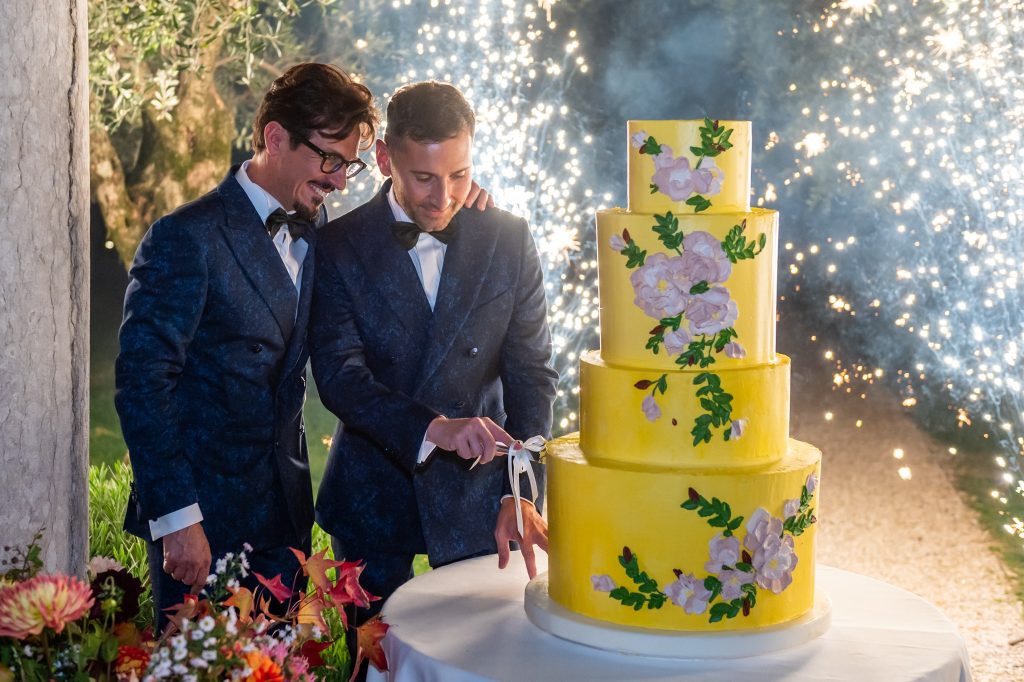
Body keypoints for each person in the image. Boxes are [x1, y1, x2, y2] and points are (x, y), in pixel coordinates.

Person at [310, 80, 559, 625]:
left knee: (485, 656)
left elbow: (533, 374)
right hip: (373, 493)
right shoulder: (334, 247)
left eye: (459, 174)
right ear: (383, 159)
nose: (443, 197)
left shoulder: (508, 237)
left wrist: (522, 490)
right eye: (423, 177)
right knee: (375, 662)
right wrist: (433, 427)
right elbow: (340, 377)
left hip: (484, 496)